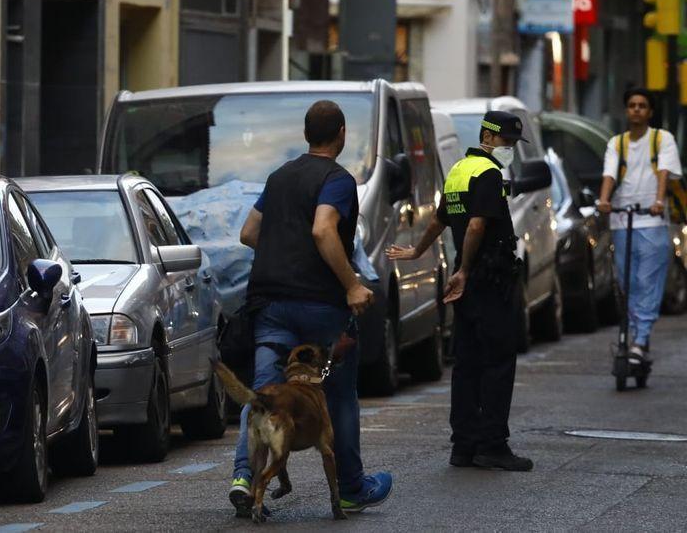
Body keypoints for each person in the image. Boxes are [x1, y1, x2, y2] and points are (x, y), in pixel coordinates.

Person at [228, 100, 393, 518]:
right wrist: (352, 285)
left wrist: (284, 253)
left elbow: (249, 233)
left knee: (263, 392)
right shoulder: (337, 179)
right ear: (341, 134)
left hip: (270, 305)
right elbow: (323, 228)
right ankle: (353, 487)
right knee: (338, 395)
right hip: (320, 308)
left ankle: (245, 477)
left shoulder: (279, 177)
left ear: (306, 135)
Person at [388, 110, 532, 471]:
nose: (510, 148)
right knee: (498, 360)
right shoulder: (487, 173)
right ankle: (492, 444)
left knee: (467, 362)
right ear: (489, 136)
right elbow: (476, 226)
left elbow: (440, 219)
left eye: (514, 143)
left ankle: (464, 445)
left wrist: (419, 251)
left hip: (468, 282)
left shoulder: (459, 170)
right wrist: (466, 270)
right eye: (507, 141)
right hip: (488, 278)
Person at [596, 88, 682, 365]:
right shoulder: (616, 143)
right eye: (632, 105)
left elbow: (664, 172)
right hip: (622, 221)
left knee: (648, 281)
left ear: (650, 112)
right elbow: (609, 173)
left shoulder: (662, 139)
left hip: (653, 220)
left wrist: (659, 200)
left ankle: (641, 338)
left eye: (642, 105)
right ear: (626, 110)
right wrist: (604, 200)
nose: (636, 109)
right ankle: (634, 336)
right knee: (627, 283)